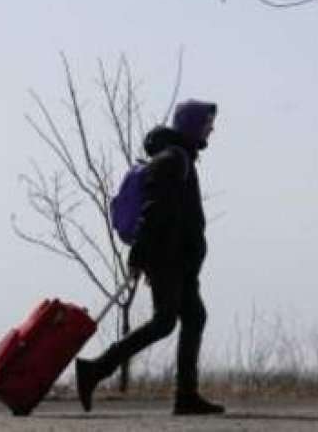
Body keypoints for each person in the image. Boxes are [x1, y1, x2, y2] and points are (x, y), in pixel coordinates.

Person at [76, 100, 224, 416]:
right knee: (165, 322)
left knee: (191, 317)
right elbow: (155, 211)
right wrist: (140, 256)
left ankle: (185, 396)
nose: (211, 128)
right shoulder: (173, 160)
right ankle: (94, 371)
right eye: (207, 123)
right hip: (167, 258)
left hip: (179, 261)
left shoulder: (178, 157)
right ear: (193, 125)